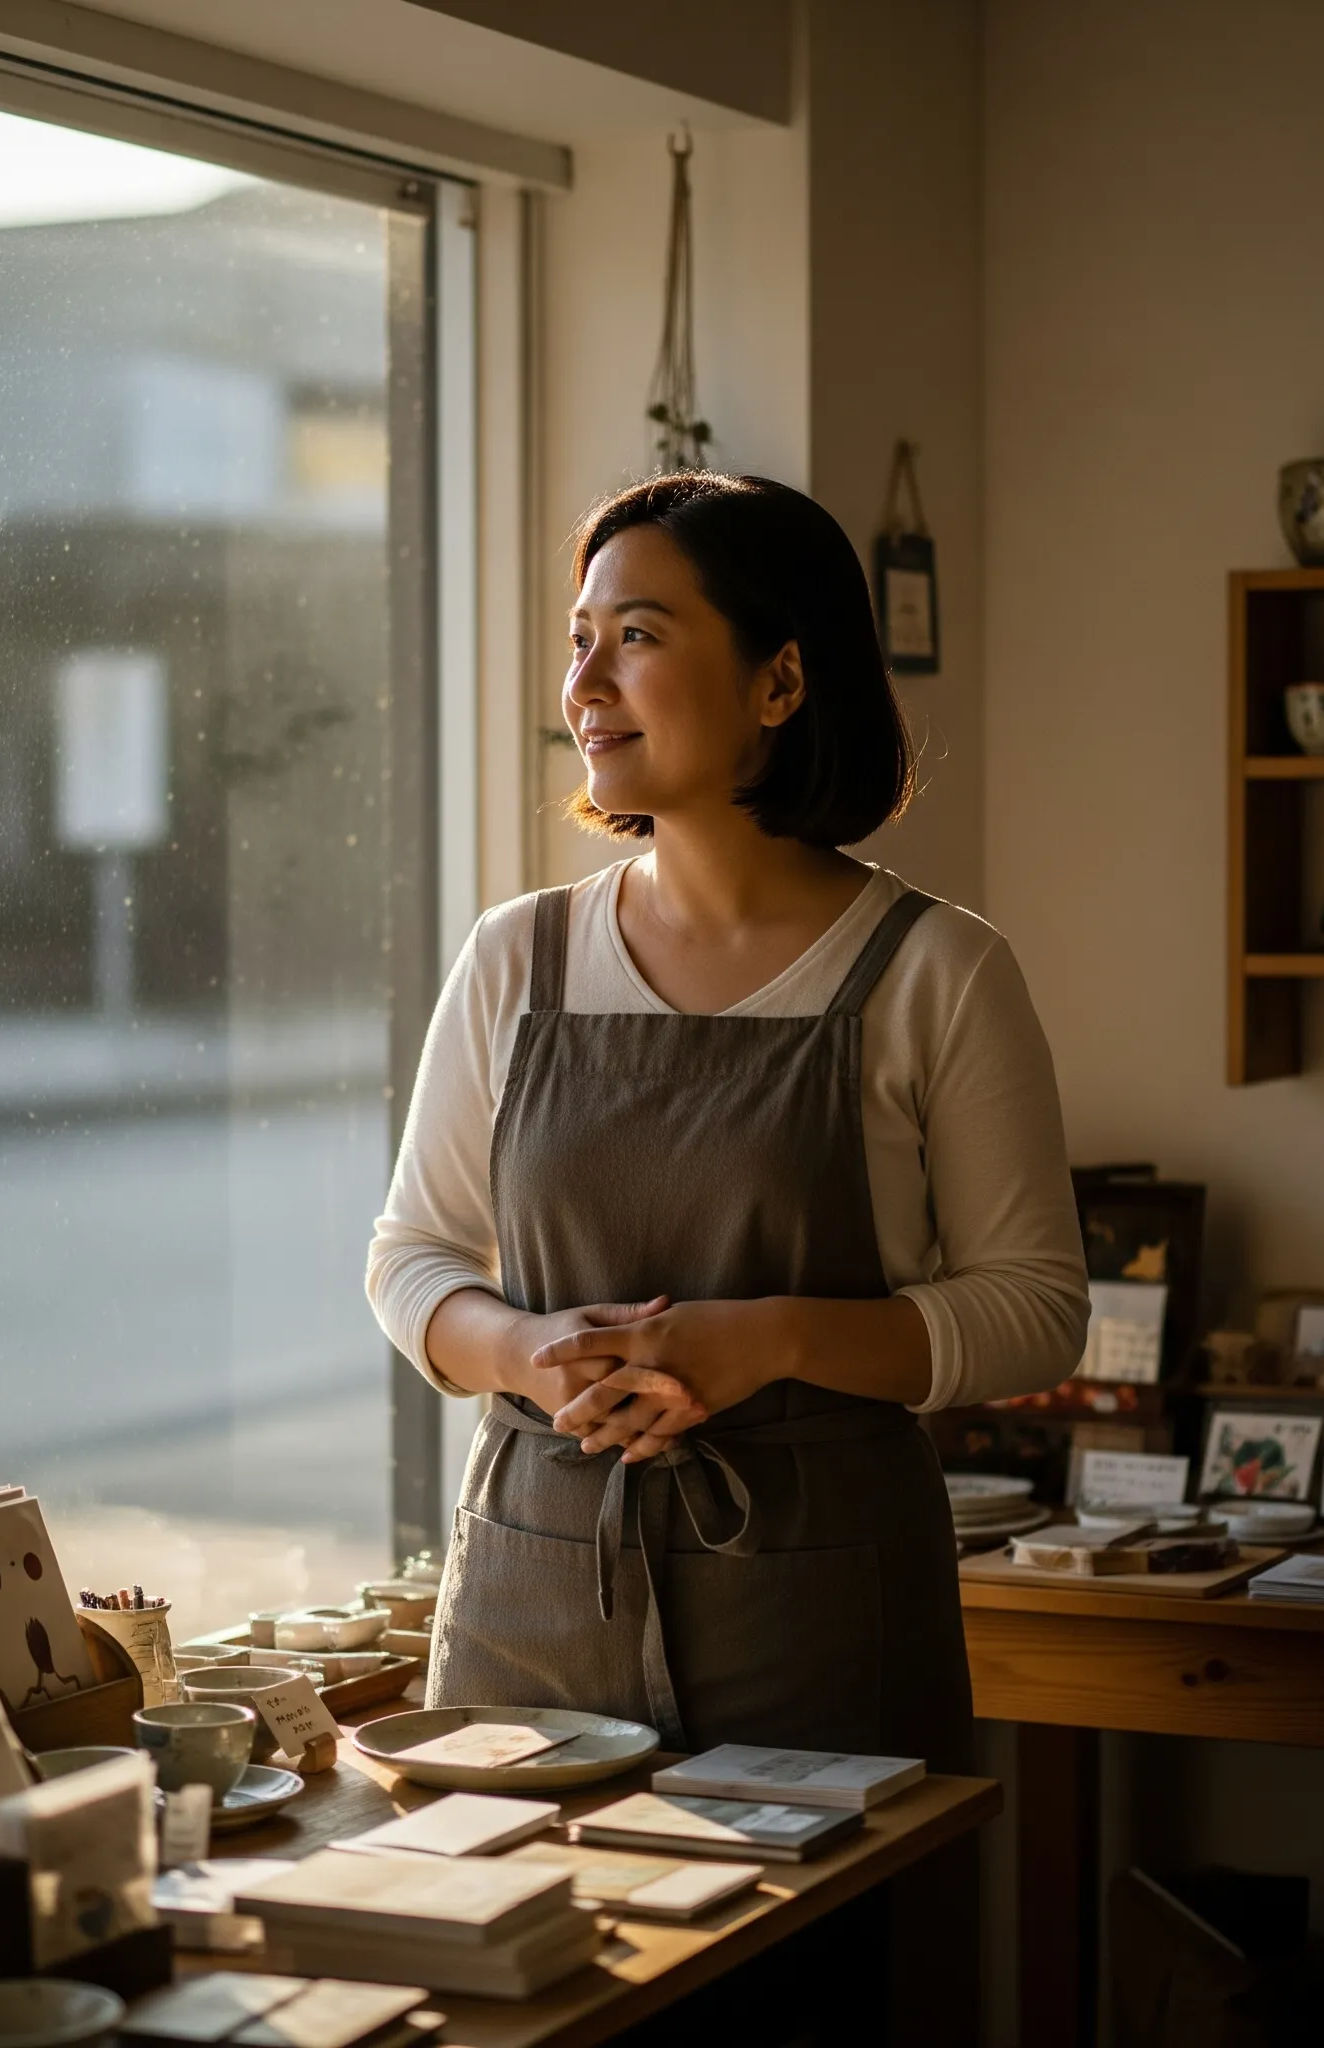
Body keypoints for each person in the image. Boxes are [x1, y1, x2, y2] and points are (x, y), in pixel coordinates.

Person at [366, 472, 1088, 1772]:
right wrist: (526, 1351)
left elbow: (1037, 1308)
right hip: (534, 1591)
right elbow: (410, 1257)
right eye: (580, 639)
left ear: (780, 683)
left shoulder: (937, 973)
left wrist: (772, 1340)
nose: (585, 684)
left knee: (808, 1978)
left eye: (637, 637)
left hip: (818, 1613)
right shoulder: (514, 959)